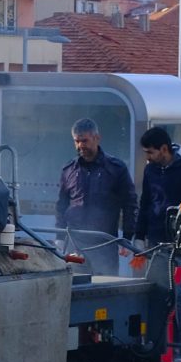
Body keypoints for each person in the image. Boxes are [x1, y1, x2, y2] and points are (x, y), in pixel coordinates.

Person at [55, 118, 135, 275]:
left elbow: (130, 204)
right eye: (76, 141)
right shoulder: (69, 170)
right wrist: (59, 235)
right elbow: (61, 204)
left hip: (104, 244)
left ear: (97, 138)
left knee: (105, 292)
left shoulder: (116, 169)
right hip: (75, 244)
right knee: (74, 290)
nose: (80, 146)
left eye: (84, 140)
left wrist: (127, 238)